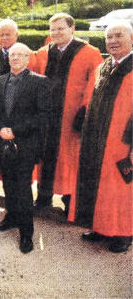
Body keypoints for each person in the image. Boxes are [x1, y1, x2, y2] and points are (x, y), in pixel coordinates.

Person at [71, 22, 132, 253]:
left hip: (122, 143)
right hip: (97, 139)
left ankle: (124, 233)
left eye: (119, 36)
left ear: (131, 38)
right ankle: (101, 227)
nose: (113, 41)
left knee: (121, 188)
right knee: (99, 185)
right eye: (109, 37)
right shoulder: (104, 66)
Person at [34, 13, 103, 211]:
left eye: (61, 28)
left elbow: (95, 84)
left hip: (71, 116)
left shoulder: (90, 52)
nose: (56, 33)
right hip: (47, 116)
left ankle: (69, 199)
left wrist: (85, 110)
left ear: (72, 29)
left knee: (70, 158)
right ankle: (43, 196)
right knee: (45, 153)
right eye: (53, 29)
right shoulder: (43, 53)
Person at [0, 43, 50, 253]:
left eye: (19, 55)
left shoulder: (39, 83)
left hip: (25, 144)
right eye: (12, 55)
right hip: (3, 142)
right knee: (8, 185)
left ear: (28, 58)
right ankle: (11, 218)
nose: (14, 58)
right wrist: (1, 130)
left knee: (23, 188)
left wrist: (15, 130)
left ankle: (26, 233)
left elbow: (42, 116)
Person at [0, 19, 36, 196]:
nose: (4, 37)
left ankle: (15, 190)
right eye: (1, 34)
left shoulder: (26, 55)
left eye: (8, 34)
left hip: (17, 112)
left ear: (16, 35)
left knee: (15, 149)